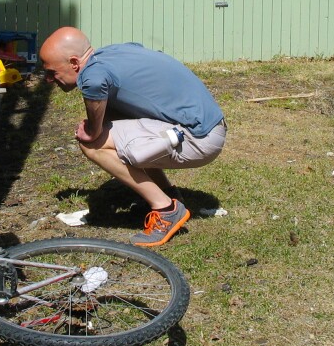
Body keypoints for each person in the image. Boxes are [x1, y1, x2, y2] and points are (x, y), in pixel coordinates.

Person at [39, 26, 227, 247]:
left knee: (93, 144)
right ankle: (168, 193)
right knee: (116, 124)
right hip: (207, 125)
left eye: (52, 72)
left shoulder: (93, 76)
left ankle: (167, 210)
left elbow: (96, 94)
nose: (49, 80)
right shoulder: (111, 53)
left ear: (74, 63)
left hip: (199, 137)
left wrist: (91, 131)